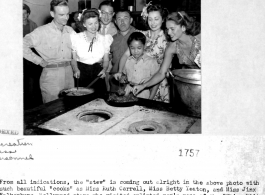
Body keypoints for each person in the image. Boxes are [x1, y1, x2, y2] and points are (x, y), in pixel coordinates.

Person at [132, 11, 201, 96]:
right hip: (193, 84)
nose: (168, 33)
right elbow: (161, 73)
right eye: (167, 29)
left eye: (172, 29)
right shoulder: (172, 47)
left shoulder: (200, 39)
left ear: (183, 27)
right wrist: (143, 86)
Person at [115, 4, 170, 103]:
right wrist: (120, 72)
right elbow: (126, 55)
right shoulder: (142, 35)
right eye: (150, 19)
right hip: (138, 81)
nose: (153, 23)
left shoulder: (167, 39)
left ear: (163, 19)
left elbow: (162, 71)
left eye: (156, 19)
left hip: (157, 83)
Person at [23, 0, 75, 104]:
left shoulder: (70, 31)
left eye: (67, 14)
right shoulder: (42, 31)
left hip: (69, 73)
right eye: (61, 15)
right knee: (52, 108)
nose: (66, 18)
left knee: (70, 106)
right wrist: (38, 60)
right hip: (51, 75)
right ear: (52, 14)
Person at [70, 9, 113, 94]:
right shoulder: (76, 38)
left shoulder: (104, 39)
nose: (94, 27)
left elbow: (106, 59)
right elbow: (73, 58)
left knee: (99, 99)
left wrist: (104, 69)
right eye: (90, 24)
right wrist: (75, 69)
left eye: (96, 23)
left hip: (98, 73)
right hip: (81, 72)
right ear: (84, 24)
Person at [120, 32, 159, 99]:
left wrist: (150, 99)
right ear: (129, 47)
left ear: (144, 46)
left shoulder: (151, 62)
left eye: (139, 48)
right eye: (132, 48)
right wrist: (122, 79)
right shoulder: (127, 61)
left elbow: (156, 84)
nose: (135, 51)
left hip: (144, 97)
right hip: (128, 96)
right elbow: (124, 77)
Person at [108, 9, 136, 92]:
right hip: (115, 79)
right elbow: (110, 60)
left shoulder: (138, 36)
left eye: (125, 18)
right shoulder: (112, 39)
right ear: (115, 21)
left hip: (132, 80)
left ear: (131, 20)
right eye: (119, 19)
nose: (122, 22)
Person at [23, 4, 43, 109]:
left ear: (28, 14)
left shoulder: (33, 25)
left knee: (33, 79)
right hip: (20, 55)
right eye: (20, 14)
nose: (22, 16)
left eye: (24, 14)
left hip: (32, 55)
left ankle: (34, 102)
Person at [98, 0, 118, 91]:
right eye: (103, 13)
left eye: (109, 13)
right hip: (94, 69)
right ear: (99, 13)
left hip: (111, 70)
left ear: (113, 14)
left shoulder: (117, 30)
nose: (106, 17)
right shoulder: (92, 26)